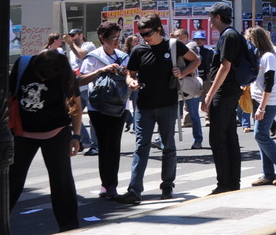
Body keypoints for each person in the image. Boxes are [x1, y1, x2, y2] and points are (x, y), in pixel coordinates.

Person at [116, 13, 199, 204]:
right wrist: (131, 82)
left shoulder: (173, 45)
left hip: (168, 104)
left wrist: (183, 72)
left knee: (168, 146)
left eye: (148, 33)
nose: (145, 37)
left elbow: (195, 60)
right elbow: (130, 74)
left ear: (159, 30)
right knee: (141, 147)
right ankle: (134, 190)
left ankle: (167, 185)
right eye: (142, 34)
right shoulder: (138, 50)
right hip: (144, 105)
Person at [8, 49, 82, 231]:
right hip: (23, 132)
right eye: (41, 75)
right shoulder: (23, 65)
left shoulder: (65, 72)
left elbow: (75, 105)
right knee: (12, 179)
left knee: (61, 181)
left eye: (47, 77)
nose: (43, 78)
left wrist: (76, 136)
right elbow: (9, 95)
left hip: (56, 131)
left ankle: (69, 227)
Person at [79, 21, 128, 199]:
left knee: (114, 145)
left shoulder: (123, 56)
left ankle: (111, 185)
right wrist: (101, 71)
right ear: (102, 38)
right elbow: (81, 80)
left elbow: (132, 76)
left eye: (118, 37)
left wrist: (127, 74)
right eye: (113, 37)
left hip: (119, 106)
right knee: (103, 145)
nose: (117, 41)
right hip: (98, 107)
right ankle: (105, 184)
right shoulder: (93, 57)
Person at [202, 1, 247, 194]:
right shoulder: (230, 35)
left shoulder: (228, 36)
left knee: (218, 138)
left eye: (211, 16)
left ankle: (225, 183)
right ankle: (232, 182)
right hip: (229, 90)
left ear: (218, 17)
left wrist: (210, 94)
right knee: (229, 137)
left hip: (225, 91)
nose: (209, 20)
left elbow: (224, 67)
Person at [245, 27, 276, 186]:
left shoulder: (268, 57)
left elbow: (269, 83)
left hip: (268, 102)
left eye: (249, 40)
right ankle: (268, 173)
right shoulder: (257, 57)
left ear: (256, 40)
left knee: (260, 135)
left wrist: (262, 107)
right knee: (262, 136)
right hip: (258, 100)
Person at [65, 28, 98, 156]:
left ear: (81, 35)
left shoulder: (88, 45)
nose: (72, 37)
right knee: (71, 114)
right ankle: (84, 140)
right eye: (70, 35)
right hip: (77, 88)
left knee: (93, 117)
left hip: (88, 87)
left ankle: (96, 145)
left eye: (74, 35)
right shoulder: (71, 51)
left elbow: (81, 54)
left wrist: (71, 44)